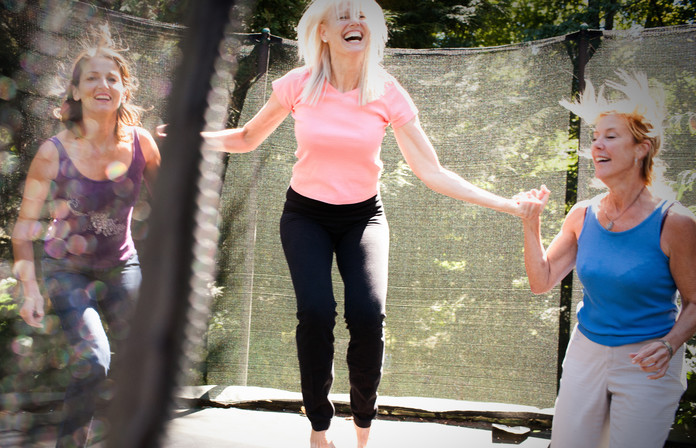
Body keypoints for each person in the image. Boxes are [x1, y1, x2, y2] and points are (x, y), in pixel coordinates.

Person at [200, 1, 533, 446]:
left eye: (361, 16)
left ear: (372, 30)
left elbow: (431, 171)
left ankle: (362, 430)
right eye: (341, 15)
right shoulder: (298, 85)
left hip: (363, 218)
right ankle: (320, 428)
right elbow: (246, 138)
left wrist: (508, 205)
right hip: (306, 216)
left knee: (368, 315)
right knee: (316, 313)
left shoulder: (387, 92)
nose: (353, 22)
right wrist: (191, 137)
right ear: (322, 32)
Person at [517, 70, 696, 447]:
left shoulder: (674, 222)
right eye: (595, 138)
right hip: (587, 352)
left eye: (610, 137)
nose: (597, 145)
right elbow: (541, 281)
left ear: (641, 147)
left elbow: (695, 301)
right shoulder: (582, 215)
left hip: (648, 360)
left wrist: (669, 344)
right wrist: (530, 223)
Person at [11, 25, 160, 448]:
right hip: (67, 271)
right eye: (92, 77)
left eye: (112, 78)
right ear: (75, 92)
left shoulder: (142, 145)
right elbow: (24, 230)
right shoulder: (52, 153)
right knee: (94, 362)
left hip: (121, 266)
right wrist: (31, 291)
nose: (103, 84)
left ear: (124, 91)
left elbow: (173, 211)